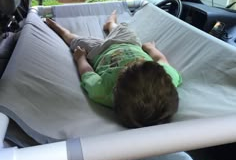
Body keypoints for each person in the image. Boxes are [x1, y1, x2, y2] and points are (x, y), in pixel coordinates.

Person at [46, 10, 182, 128]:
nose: (130, 63)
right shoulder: (167, 79)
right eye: (141, 62)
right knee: (122, 29)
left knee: (73, 40)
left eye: (127, 68)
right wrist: (151, 49)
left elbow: (87, 72)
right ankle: (110, 23)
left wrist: (80, 58)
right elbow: (161, 60)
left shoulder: (104, 93)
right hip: (130, 44)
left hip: (99, 51)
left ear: (116, 89)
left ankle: (61, 30)